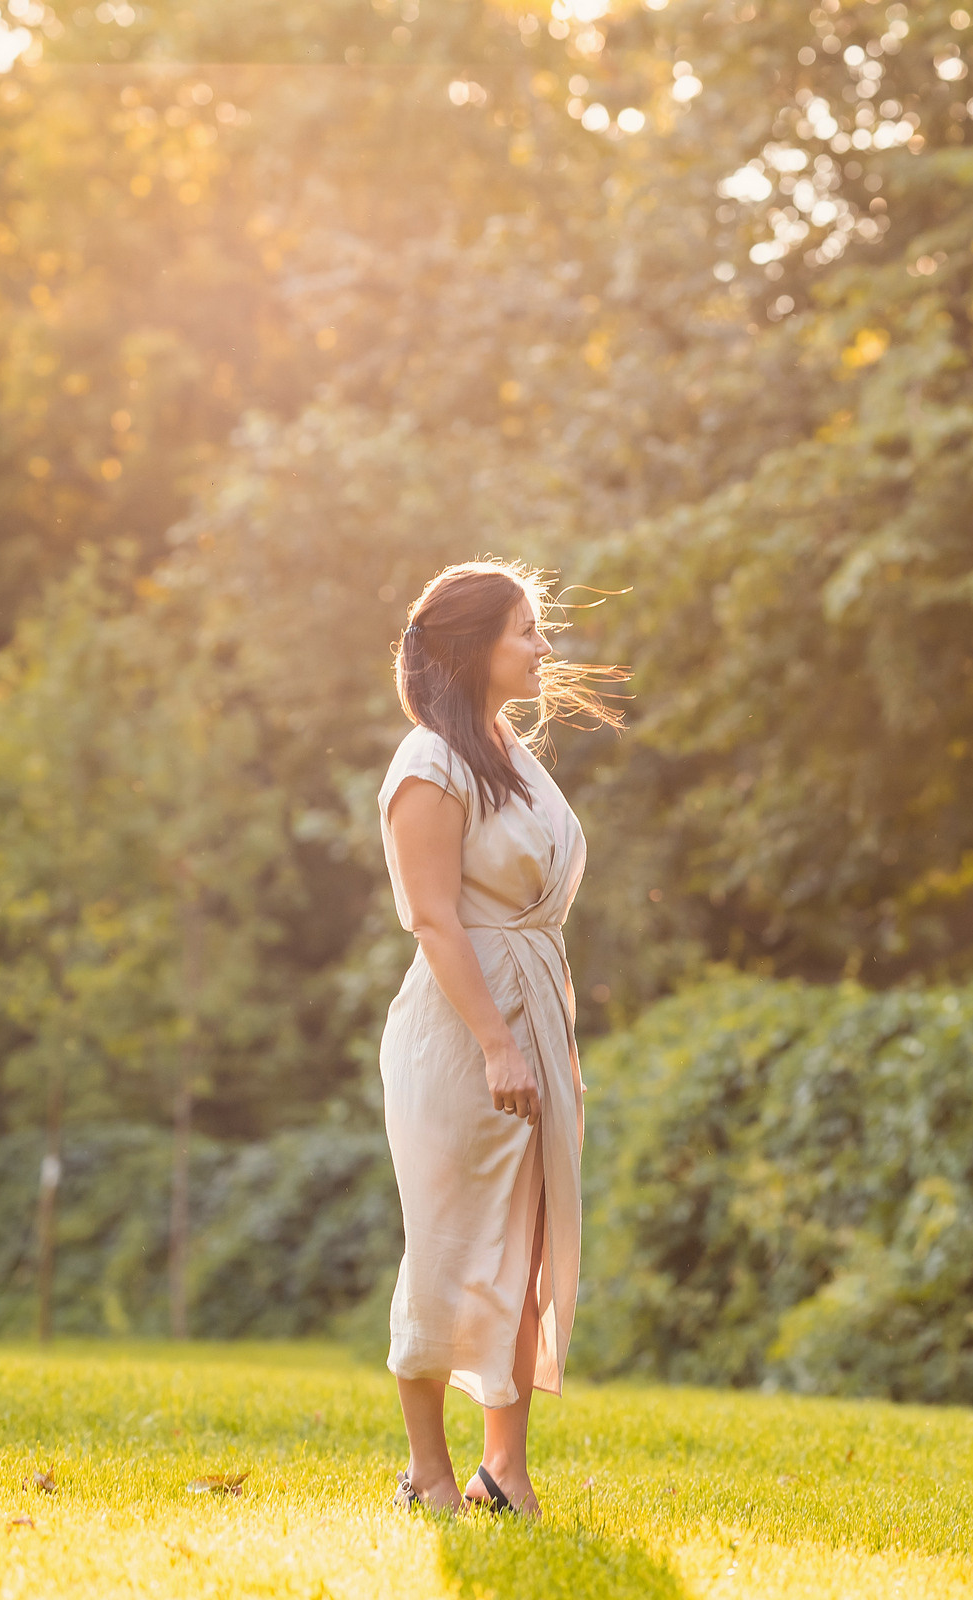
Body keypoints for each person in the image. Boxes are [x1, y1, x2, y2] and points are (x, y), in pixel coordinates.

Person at [375, 560, 623, 1518]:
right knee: (448, 1246)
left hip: (533, 1011)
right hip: (460, 1032)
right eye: (526, 629)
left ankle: (504, 1471)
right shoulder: (429, 762)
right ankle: (427, 1473)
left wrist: (541, 1041)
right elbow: (435, 920)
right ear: (474, 644)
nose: (544, 646)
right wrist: (498, 1045)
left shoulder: (506, 751)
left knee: (523, 1247)